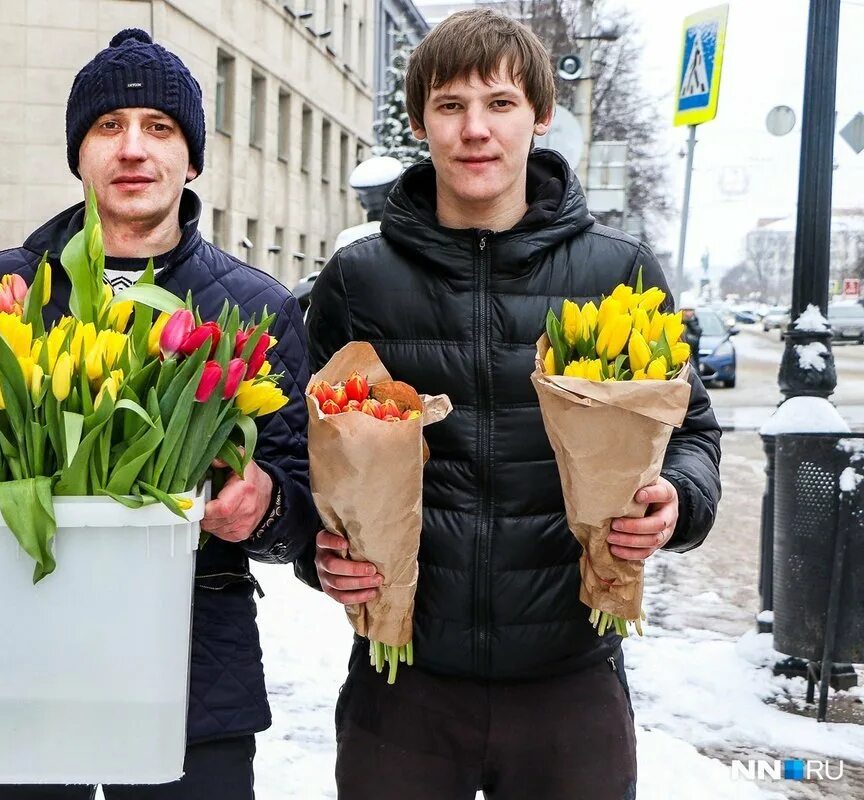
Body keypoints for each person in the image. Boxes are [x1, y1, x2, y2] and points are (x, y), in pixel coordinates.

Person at [0, 29, 319, 799]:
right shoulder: (8, 287)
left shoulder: (253, 307)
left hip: (189, 682)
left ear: (191, 159)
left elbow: (304, 500)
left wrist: (268, 505)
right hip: (17, 667)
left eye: (160, 128)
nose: (133, 149)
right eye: (109, 128)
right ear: (80, 155)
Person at [300, 10, 722, 800]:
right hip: (404, 684)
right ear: (421, 120)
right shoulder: (360, 279)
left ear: (540, 114)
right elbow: (302, 444)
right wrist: (313, 553)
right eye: (449, 106)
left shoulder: (620, 270)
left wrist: (678, 503)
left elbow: (691, 430)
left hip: (572, 680)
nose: (474, 131)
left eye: (499, 103)